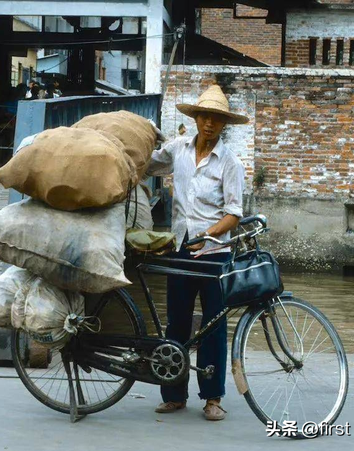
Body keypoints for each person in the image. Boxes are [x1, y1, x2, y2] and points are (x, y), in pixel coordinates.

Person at [146, 84, 248, 421]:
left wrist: (210, 233)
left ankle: (213, 398)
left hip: (215, 253)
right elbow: (147, 164)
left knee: (213, 327)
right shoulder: (178, 150)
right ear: (196, 119)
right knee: (177, 322)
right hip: (181, 247)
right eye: (205, 116)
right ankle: (174, 394)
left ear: (223, 125)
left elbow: (234, 213)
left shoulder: (229, 162)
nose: (209, 123)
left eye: (216, 119)